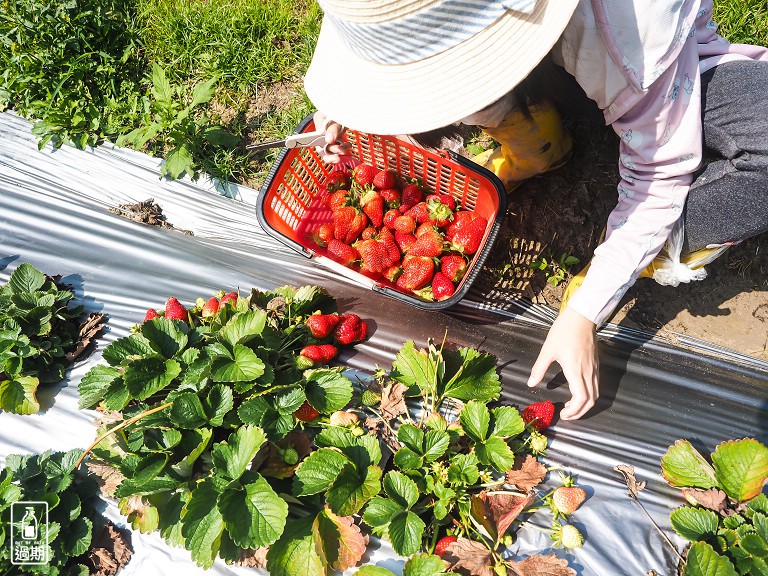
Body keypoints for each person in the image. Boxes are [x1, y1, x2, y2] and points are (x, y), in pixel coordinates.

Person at [304, 0, 768, 420]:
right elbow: (391, 40)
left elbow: (658, 179)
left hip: (659, 66)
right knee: (507, 86)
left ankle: (667, 242)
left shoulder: (634, 33)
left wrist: (585, 310)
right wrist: (350, 109)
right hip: (575, 58)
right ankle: (539, 139)